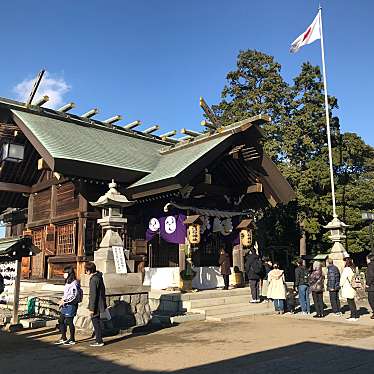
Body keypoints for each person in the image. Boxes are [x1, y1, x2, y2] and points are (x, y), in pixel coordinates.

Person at [55, 266, 79, 345]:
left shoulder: (74, 283)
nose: (64, 274)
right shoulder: (67, 282)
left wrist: (64, 301)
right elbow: (66, 294)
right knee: (61, 320)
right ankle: (63, 337)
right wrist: (62, 300)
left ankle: (72, 339)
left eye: (65, 273)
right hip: (65, 305)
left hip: (71, 305)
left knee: (69, 321)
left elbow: (73, 295)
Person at [85, 262, 107, 347]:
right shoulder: (99, 277)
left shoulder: (94, 279)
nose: (86, 272)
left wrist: (91, 308)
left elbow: (93, 294)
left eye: (86, 270)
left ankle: (99, 340)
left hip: (96, 304)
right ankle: (98, 339)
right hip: (100, 302)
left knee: (96, 322)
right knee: (97, 321)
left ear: (89, 270)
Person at [366, 254, 374, 319]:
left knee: (371, 300)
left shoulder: (370, 265)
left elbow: (371, 276)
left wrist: (368, 284)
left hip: (372, 286)